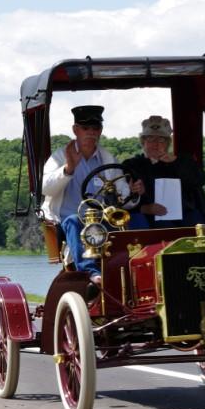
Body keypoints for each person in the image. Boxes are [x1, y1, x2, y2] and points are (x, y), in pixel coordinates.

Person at [41, 105, 133, 283]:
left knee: (128, 222)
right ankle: (91, 273)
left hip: (101, 220)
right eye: (85, 128)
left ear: (101, 130)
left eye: (95, 128)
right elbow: (45, 188)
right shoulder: (60, 157)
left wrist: (134, 193)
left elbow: (124, 196)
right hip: (67, 220)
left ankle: (127, 272)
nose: (91, 132)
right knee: (75, 220)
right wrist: (68, 169)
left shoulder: (108, 159)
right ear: (75, 130)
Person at [123, 115, 205, 228]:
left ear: (167, 143)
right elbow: (121, 201)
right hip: (151, 219)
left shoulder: (182, 161)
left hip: (187, 217)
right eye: (150, 139)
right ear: (143, 142)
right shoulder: (131, 166)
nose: (155, 143)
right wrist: (145, 207)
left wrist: (175, 162)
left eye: (161, 139)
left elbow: (199, 180)